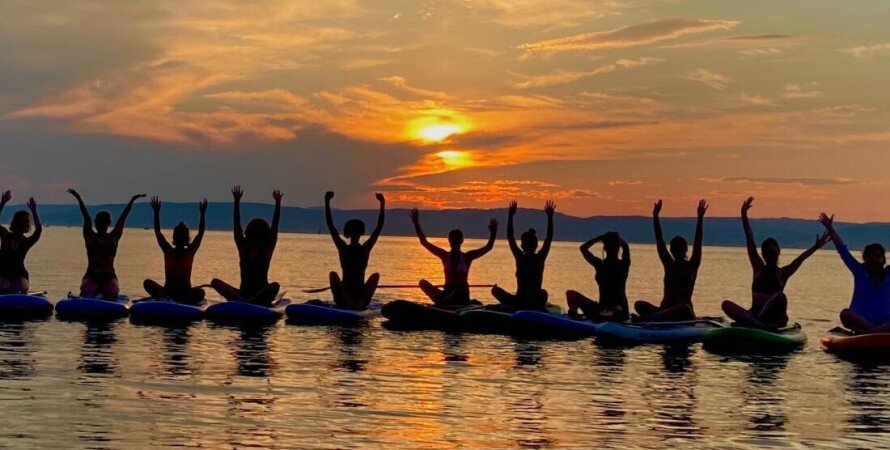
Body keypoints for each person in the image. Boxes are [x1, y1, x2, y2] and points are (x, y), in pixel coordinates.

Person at [721, 197, 829, 329]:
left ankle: (756, 324)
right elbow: (750, 240)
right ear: (763, 254)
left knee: (780, 296)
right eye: (768, 252)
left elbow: (799, 259)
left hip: (774, 318)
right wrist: (744, 215)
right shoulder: (758, 268)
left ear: (778, 251)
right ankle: (758, 325)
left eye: (773, 251)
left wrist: (816, 247)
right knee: (726, 304)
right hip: (755, 315)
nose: (771, 254)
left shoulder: (783, 273)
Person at [634, 199, 707, 322]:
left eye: (680, 247)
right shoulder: (669, 265)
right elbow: (659, 240)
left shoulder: (692, 266)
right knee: (639, 304)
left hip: (683, 314)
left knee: (684, 308)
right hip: (664, 310)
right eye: (675, 247)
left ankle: (649, 319)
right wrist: (655, 216)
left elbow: (698, 242)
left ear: (685, 249)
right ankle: (655, 317)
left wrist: (700, 218)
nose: (677, 250)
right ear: (672, 250)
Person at [410, 208, 497, 306]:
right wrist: (416, 223)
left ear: (461, 241)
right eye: (453, 240)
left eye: (456, 240)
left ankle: (442, 304)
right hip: (446, 294)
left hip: (461, 296)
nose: (454, 242)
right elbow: (424, 242)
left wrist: (493, 233)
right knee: (423, 283)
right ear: (449, 241)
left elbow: (488, 248)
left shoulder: (467, 257)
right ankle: (442, 303)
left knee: (460, 287)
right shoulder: (444, 255)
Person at [819, 212, 890, 333]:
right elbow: (843, 250)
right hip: (860, 322)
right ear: (865, 258)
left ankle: (872, 332)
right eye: (870, 256)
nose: (874, 259)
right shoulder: (859, 271)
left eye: (877, 256)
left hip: (885, 323)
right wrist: (830, 228)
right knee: (845, 313)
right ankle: (873, 331)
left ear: (883, 259)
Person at [68, 189, 145, 300]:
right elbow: (86, 217)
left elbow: (122, 218)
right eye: (98, 222)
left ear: (108, 223)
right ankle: (94, 290)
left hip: (109, 276)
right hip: (91, 276)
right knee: (87, 291)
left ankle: (102, 291)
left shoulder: (113, 238)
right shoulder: (90, 237)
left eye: (102, 222)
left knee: (112, 293)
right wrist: (79, 198)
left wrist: (132, 201)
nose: (99, 224)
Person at [211, 186, 282, 306]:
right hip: (243, 294)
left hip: (260, 294)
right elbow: (237, 225)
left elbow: (275, 226)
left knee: (275, 286)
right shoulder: (243, 246)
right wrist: (236, 202)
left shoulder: (267, 247)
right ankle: (246, 301)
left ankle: (251, 301)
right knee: (215, 282)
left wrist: (278, 204)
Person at [324, 191, 385, 311]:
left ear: (347, 232)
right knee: (333, 274)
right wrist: (382, 203)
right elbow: (379, 227)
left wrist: (327, 201)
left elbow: (331, 226)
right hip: (348, 296)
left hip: (358, 296)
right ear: (362, 232)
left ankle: (354, 302)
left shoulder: (345, 248)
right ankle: (353, 302)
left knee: (374, 276)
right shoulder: (362, 248)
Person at [491, 200, 555, 311]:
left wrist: (510, 216)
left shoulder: (525, 257)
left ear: (522, 245)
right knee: (495, 290)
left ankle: (533, 309)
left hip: (530, 301)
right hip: (519, 301)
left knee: (543, 293)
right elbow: (549, 238)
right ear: (536, 245)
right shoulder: (534, 257)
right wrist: (550, 217)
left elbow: (510, 236)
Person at [143, 196, 208, 304]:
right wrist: (156, 212)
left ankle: (174, 298)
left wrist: (202, 214)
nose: (180, 238)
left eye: (183, 236)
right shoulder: (168, 250)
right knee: (147, 283)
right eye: (178, 235)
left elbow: (200, 233)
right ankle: (168, 297)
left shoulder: (190, 251)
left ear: (186, 239)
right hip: (167, 291)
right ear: (174, 238)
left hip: (185, 292)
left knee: (201, 292)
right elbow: (158, 232)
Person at [566, 231, 630, 322]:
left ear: (618, 247)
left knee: (616, 309)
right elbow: (583, 248)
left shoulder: (623, 264)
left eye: (614, 246)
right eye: (610, 246)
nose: (612, 249)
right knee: (571, 294)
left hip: (620, 311)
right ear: (605, 248)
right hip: (601, 308)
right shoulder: (600, 264)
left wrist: (613, 239)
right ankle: (574, 317)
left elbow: (626, 247)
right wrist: (599, 238)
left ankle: (607, 316)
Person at [0, 191, 42, 294]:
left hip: (20, 275)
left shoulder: (26, 242)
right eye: (25, 222)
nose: (26, 225)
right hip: (4, 274)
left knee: (20, 286)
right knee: (5, 286)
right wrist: (2, 203)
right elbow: (38, 230)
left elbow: (38, 230)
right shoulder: (5, 236)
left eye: (27, 222)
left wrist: (34, 210)